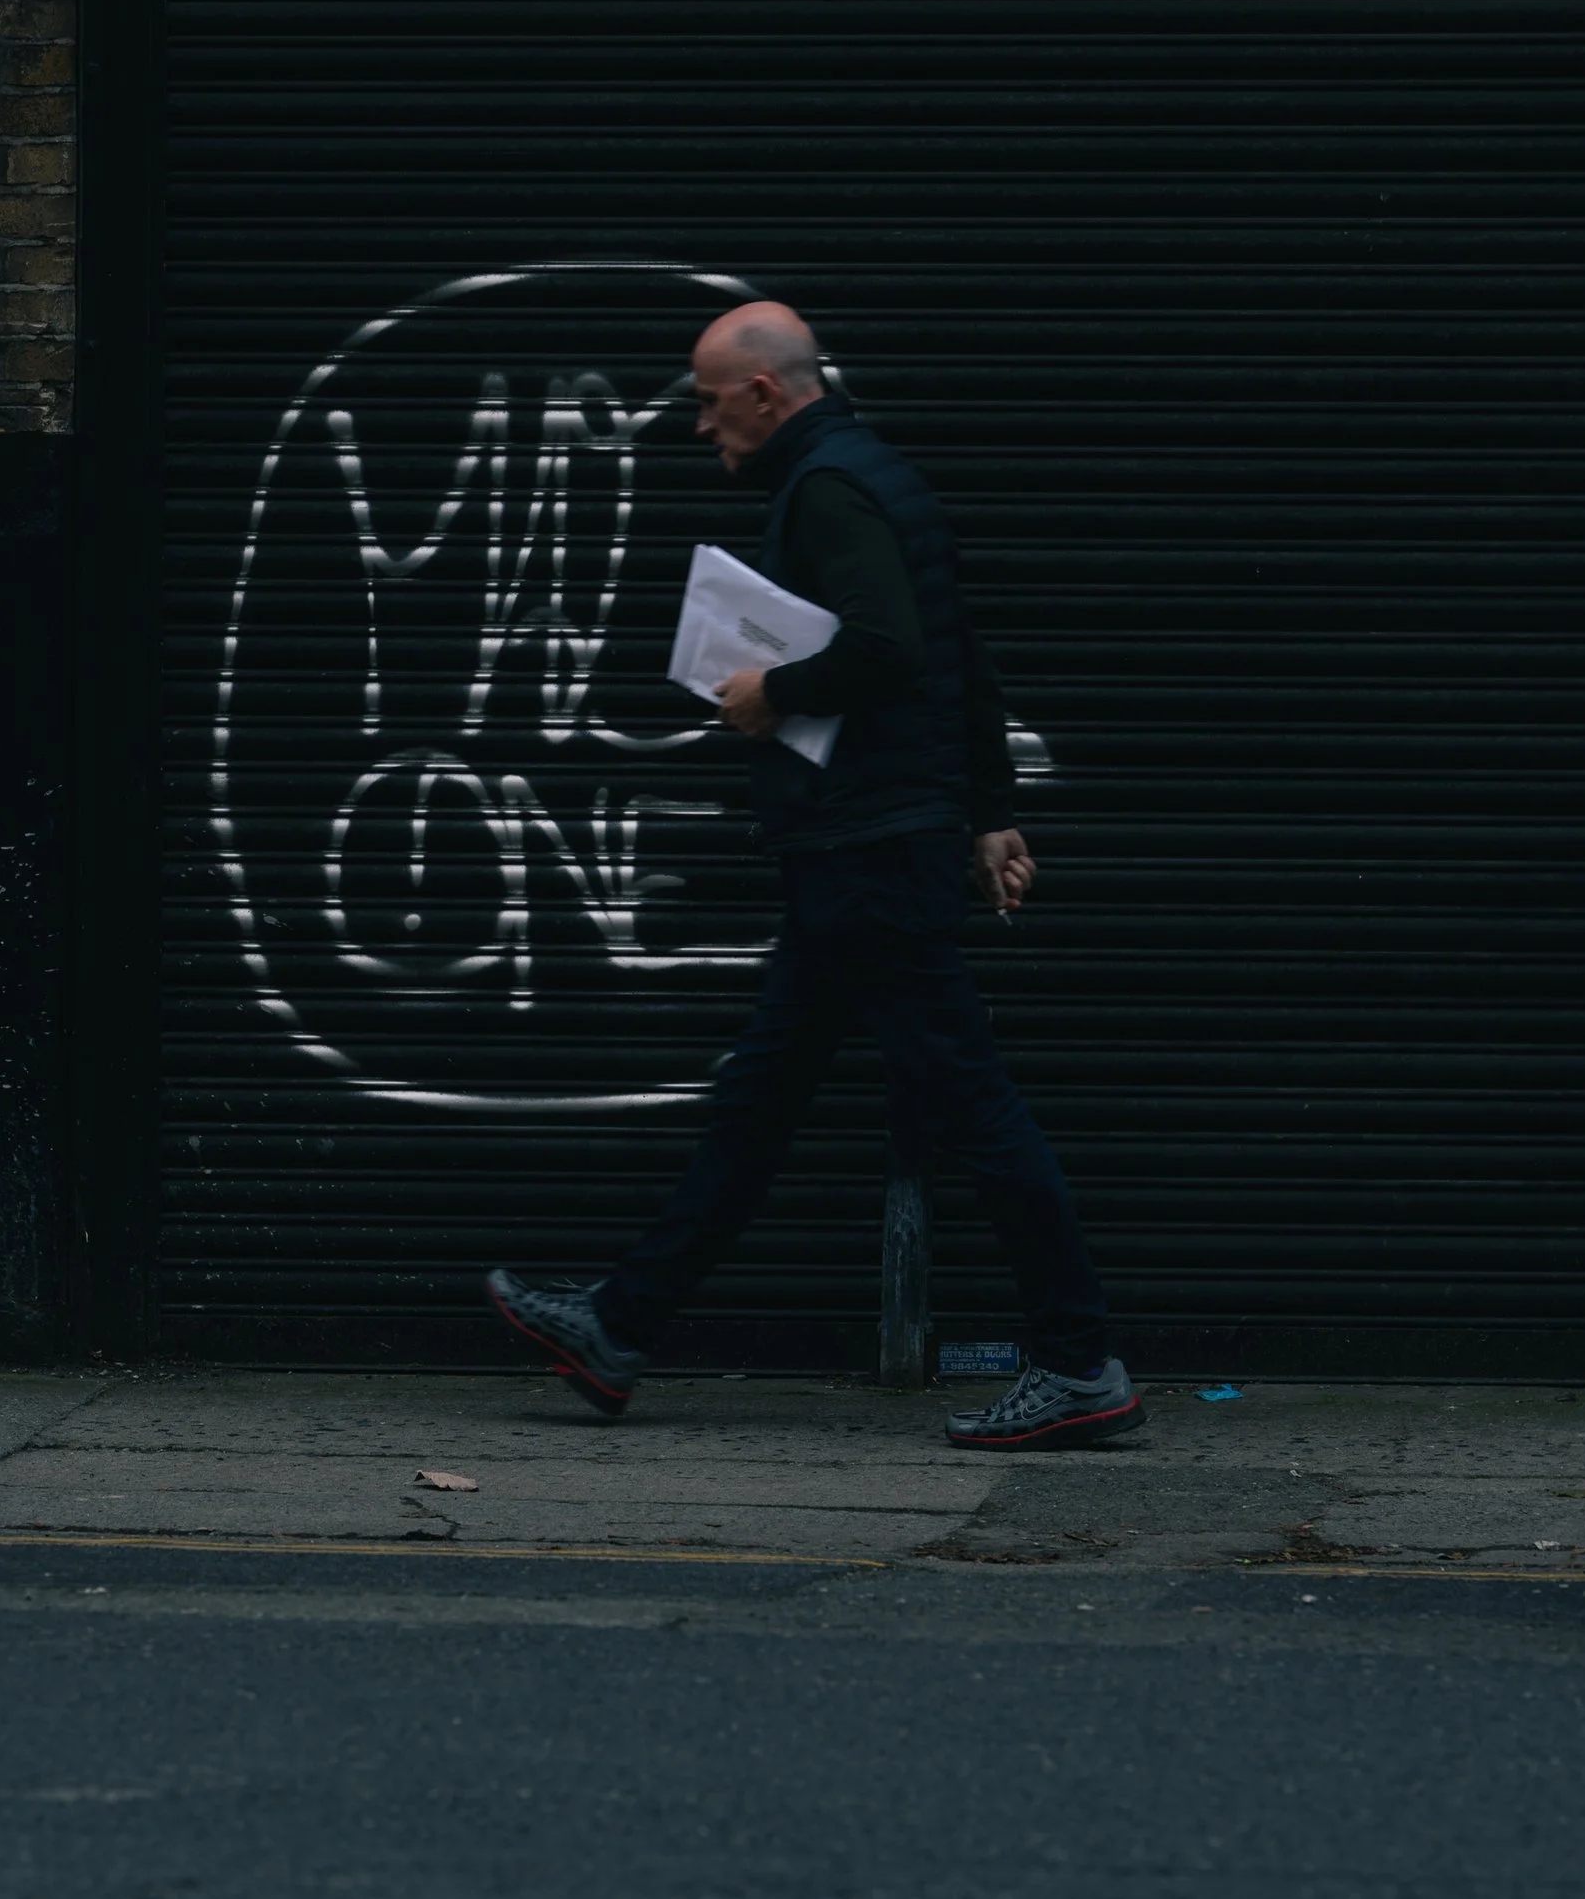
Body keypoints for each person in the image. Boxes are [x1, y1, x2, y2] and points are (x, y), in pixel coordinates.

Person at [485, 302, 1143, 1451]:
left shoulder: (829, 489)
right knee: (760, 1100)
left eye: (705, 399)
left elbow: (890, 647)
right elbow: (960, 653)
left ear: (764, 392)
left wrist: (767, 693)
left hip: (868, 850)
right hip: (871, 842)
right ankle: (618, 1328)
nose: (699, 425)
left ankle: (1079, 1361)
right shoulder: (877, 473)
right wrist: (988, 810)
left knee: (972, 1104)